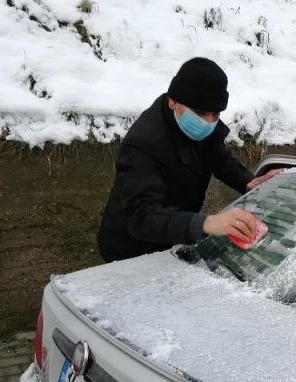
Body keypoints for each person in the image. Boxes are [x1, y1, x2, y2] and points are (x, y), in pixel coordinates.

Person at [97, 57, 281, 263]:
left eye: (215, 114)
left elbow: (218, 156)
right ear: (173, 101)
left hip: (173, 237)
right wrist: (207, 223)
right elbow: (142, 217)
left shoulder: (205, 121)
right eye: (200, 113)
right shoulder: (143, 144)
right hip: (130, 250)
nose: (208, 122)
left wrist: (247, 181)